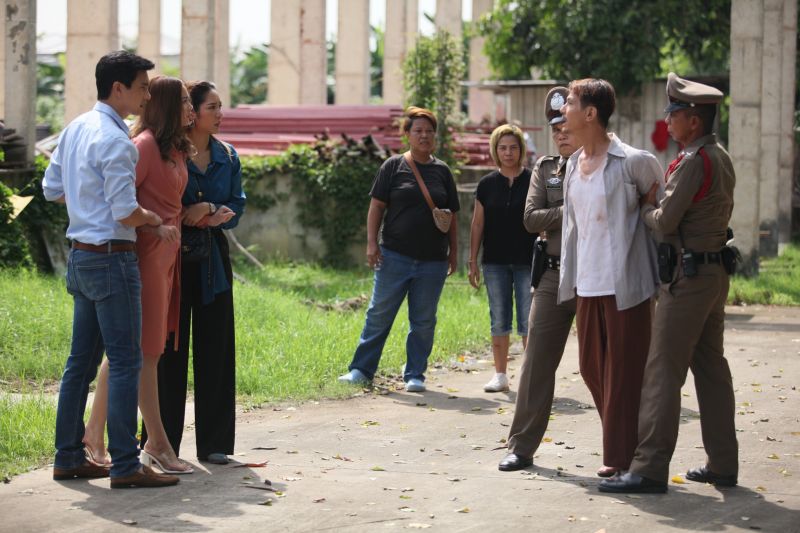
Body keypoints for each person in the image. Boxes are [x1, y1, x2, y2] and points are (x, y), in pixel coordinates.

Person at [43, 50, 178, 488]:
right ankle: (125, 463)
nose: (146, 96)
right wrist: (153, 218)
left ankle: (69, 457)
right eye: (141, 87)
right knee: (125, 361)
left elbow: (51, 189)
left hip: (81, 256)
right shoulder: (117, 140)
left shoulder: (76, 127)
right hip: (112, 258)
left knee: (80, 364)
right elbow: (126, 212)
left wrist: (86, 204)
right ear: (118, 88)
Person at [600, 74, 738, 493]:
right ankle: (723, 463)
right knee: (711, 370)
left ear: (693, 121)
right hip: (712, 274)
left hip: (687, 279)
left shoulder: (693, 161)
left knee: (661, 372)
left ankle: (648, 468)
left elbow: (665, 221)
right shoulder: (719, 155)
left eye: (674, 114)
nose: (668, 121)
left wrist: (645, 208)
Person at [82, 76, 196, 475]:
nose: (191, 108)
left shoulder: (175, 148)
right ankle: (157, 443)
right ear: (166, 106)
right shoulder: (144, 145)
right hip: (145, 257)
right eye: (184, 101)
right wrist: (153, 225)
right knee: (145, 352)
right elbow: (119, 201)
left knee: (133, 350)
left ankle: (93, 435)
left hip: (166, 259)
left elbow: (170, 202)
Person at [558, 79, 663, 477]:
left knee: (625, 374)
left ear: (590, 113)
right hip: (587, 282)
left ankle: (623, 459)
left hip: (627, 285)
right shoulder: (572, 165)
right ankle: (626, 447)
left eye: (570, 102)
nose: (563, 109)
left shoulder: (634, 162)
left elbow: (660, 218)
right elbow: (573, 227)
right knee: (591, 368)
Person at [155, 80, 246, 466]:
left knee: (217, 350)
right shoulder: (169, 153)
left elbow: (236, 206)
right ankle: (162, 442)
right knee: (169, 353)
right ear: (191, 111)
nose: (219, 114)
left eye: (220, 107)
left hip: (213, 262)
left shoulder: (228, 155)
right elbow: (160, 201)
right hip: (173, 259)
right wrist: (190, 213)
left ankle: (214, 443)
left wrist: (206, 209)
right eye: (212, 107)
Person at [339, 106, 460, 393]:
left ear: (435, 136)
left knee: (423, 320)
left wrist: (454, 253)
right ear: (407, 134)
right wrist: (371, 243)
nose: (424, 136)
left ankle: (415, 373)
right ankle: (361, 370)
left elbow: (452, 216)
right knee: (379, 314)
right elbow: (376, 207)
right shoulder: (393, 166)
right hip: (394, 255)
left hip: (432, 261)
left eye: (429, 131)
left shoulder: (443, 171)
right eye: (418, 130)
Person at [498, 87, 580, 471]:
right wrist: (571, 209)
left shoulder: (600, 166)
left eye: (566, 127)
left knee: (602, 364)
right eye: (555, 129)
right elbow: (531, 218)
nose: (561, 134)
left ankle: (620, 451)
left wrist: (556, 212)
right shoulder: (547, 169)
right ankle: (521, 446)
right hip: (552, 272)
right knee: (535, 363)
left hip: (593, 276)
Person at [468, 124, 535, 392]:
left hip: (528, 261)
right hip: (494, 262)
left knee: (528, 320)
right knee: (499, 318)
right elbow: (477, 224)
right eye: (503, 148)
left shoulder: (533, 180)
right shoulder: (486, 184)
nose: (508, 153)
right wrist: (472, 261)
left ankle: (531, 377)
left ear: (521, 149)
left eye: (513, 147)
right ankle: (500, 375)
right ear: (495, 150)